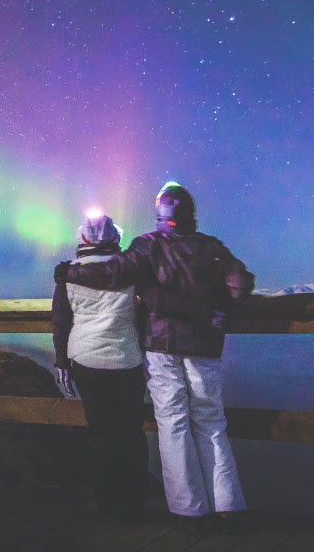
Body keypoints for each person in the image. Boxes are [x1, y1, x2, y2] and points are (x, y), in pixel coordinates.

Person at [54, 183, 254, 533]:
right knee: (211, 422)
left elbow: (112, 274)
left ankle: (188, 509)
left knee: (172, 424)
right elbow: (239, 285)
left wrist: (69, 273)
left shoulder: (146, 246)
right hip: (200, 346)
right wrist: (216, 308)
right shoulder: (212, 247)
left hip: (159, 347)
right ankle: (227, 505)